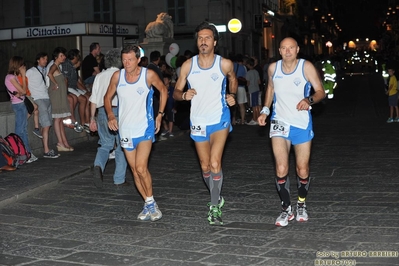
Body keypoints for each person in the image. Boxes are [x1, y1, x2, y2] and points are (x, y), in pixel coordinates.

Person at [173, 21, 237, 226]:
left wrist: (232, 94)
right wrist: (183, 95)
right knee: (205, 166)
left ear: (215, 42)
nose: (203, 41)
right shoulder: (188, 65)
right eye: (200, 38)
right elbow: (175, 92)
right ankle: (216, 195)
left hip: (219, 119)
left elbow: (233, 79)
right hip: (198, 121)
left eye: (207, 38)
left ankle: (214, 205)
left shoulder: (224, 63)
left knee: (215, 162)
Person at [257, 37, 326, 227]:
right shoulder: (273, 68)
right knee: (281, 168)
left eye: (291, 48)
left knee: (302, 169)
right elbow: (270, 88)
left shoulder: (306, 67)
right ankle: (286, 208)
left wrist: (309, 100)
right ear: (279, 50)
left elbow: (321, 91)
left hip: (301, 123)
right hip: (279, 123)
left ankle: (301, 204)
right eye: (284, 48)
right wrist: (265, 110)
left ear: (297, 50)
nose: (287, 51)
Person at [104, 45, 167, 222]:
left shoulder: (148, 75)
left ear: (139, 59)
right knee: (134, 170)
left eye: (130, 59)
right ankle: (148, 204)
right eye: (124, 60)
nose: (127, 63)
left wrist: (160, 115)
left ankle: (152, 203)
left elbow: (163, 90)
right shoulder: (118, 76)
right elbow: (107, 97)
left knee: (141, 167)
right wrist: (110, 115)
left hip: (144, 127)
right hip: (125, 129)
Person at [89, 48, 128, 188]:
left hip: (101, 112)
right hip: (117, 111)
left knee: (105, 144)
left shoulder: (99, 76)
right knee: (122, 146)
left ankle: (98, 165)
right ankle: (119, 179)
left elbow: (93, 99)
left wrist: (92, 118)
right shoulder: (122, 75)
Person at [5, 56, 38, 163]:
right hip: (19, 105)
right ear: (17, 65)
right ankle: (24, 154)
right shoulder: (10, 77)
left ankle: (26, 153)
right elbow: (24, 91)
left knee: (23, 130)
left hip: (20, 104)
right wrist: (23, 76)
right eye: (22, 65)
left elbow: (22, 91)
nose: (23, 67)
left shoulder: (12, 77)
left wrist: (21, 90)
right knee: (21, 131)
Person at [26, 52, 60, 159]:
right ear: (38, 60)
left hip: (46, 97)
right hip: (38, 98)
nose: (45, 61)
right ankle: (46, 150)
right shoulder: (31, 71)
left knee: (47, 124)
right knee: (46, 124)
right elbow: (24, 84)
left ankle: (46, 148)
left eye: (46, 59)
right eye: (43, 59)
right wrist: (30, 99)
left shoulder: (45, 71)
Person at [47, 47, 74, 152]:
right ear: (56, 57)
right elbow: (49, 74)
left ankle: (64, 142)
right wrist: (56, 83)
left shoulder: (59, 66)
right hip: (56, 96)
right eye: (61, 56)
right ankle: (60, 143)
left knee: (60, 119)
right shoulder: (54, 66)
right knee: (57, 119)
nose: (64, 57)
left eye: (64, 55)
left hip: (60, 95)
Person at [62, 49, 90, 132]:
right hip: (69, 87)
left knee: (88, 97)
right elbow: (66, 79)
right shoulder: (67, 64)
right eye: (78, 56)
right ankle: (82, 122)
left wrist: (85, 91)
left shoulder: (73, 66)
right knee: (83, 99)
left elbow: (77, 81)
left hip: (74, 87)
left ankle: (87, 122)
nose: (79, 58)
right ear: (74, 56)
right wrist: (66, 92)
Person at [245, 57, 261, 125]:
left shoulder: (248, 73)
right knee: (257, 105)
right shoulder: (256, 71)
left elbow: (248, 83)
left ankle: (254, 119)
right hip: (257, 89)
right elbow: (259, 82)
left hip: (251, 89)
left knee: (253, 106)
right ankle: (257, 118)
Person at [160, 73, 175, 138]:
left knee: (170, 119)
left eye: (166, 79)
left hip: (170, 105)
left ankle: (170, 131)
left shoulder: (172, 89)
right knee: (162, 118)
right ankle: (166, 129)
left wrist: (175, 107)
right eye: (163, 79)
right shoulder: (161, 88)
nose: (164, 80)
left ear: (169, 80)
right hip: (163, 106)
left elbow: (174, 98)